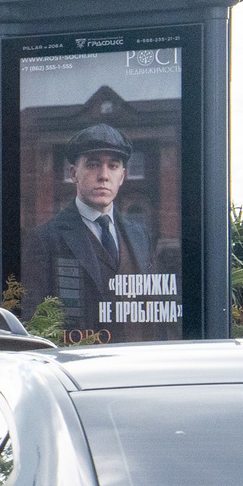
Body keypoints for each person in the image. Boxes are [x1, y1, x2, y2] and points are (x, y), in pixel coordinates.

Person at [22, 122, 154, 340]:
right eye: (93, 165)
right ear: (74, 173)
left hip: (134, 364)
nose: (103, 175)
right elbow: (34, 321)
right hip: (78, 366)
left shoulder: (140, 236)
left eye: (113, 166)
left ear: (122, 176)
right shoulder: (45, 238)